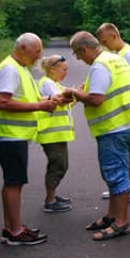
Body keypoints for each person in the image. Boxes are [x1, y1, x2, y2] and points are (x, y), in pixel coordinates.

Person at [0, 33, 57, 246]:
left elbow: (26, 99)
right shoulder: (10, 69)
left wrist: (48, 100)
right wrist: (40, 106)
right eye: (36, 51)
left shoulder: (19, 68)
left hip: (12, 136)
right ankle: (15, 231)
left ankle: (11, 227)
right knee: (14, 182)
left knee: (12, 182)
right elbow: (4, 102)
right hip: (9, 136)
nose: (39, 57)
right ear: (23, 48)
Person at [64, 31, 130, 241]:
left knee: (116, 175)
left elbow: (96, 99)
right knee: (115, 173)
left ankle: (121, 222)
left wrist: (72, 93)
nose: (79, 59)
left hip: (113, 129)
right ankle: (111, 215)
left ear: (85, 49)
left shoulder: (100, 66)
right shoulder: (116, 59)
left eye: (78, 54)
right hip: (129, 123)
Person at [96, 23, 130, 203]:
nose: (104, 44)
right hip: (123, 106)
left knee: (129, 147)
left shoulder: (128, 54)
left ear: (114, 36)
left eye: (105, 40)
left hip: (128, 106)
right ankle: (122, 187)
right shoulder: (118, 54)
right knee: (126, 148)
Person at [36, 54, 75, 213]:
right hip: (51, 134)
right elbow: (61, 99)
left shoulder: (54, 84)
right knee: (57, 165)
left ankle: (52, 195)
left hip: (57, 134)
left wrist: (75, 94)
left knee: (61, 165)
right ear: (53, 69)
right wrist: (75, 93)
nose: (66, 72)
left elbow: (66, 102)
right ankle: (50, 200)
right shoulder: (47, 84)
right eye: (64, 69)